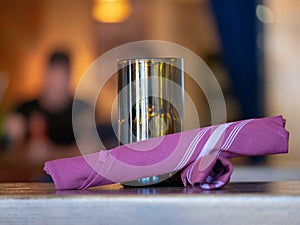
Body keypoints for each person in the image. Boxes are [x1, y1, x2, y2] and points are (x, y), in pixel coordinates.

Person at [4, 51, 81, 172]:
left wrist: (51, 153)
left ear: (69, 76)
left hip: (66, 180)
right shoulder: (24, 108)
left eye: (62, 74)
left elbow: (90, 152)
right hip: (26, 180)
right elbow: (9, 150)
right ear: (46, 74)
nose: (58, 81)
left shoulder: (82, 111)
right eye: (54, 73)